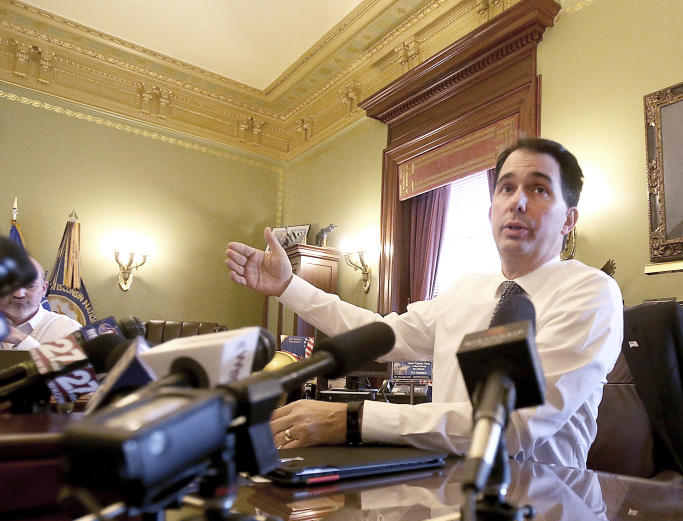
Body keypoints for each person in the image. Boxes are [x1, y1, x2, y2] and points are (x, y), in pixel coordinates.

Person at [225, 137, 623, 467]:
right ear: (491, 210)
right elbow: (380, 333)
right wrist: (289, 287)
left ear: (569, 219)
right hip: (444, 490)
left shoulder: (590, 292)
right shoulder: (465, 290)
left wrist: (353, 419)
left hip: (544, 513)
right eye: (506, 187)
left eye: (538, 189)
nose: (517, 202)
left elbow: (511, 427)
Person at [0, 255, 81, 350]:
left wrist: (22, 340)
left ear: (44, 288)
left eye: (30, 286)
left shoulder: (68, 330)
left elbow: (63, 365)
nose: (19, 294)